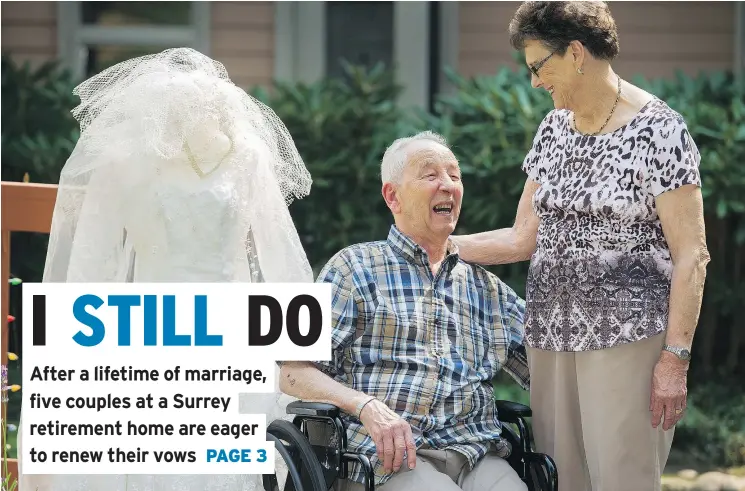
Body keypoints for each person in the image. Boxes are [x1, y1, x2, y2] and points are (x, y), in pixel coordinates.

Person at [18, 47, 312, 491]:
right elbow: (89, 262)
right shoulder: (121, 160)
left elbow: (278, 252)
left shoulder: (248, 157)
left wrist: (298, 346)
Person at [450, 3, 710, 491]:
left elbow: (692, 255)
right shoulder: (553, 130)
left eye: (537, 66)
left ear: (574, 53)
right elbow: (522, 237)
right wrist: (434, 247)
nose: (533, 82)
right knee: (559, 477)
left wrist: (675, 359)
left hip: (628, 337)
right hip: (550, 338)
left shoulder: (660, 130)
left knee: (621, 478)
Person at [279, 131, 530, 491]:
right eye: (431, 175)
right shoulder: (352, 267)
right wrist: (366, 406)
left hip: (476, 453)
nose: (447, 186)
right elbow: (292, 373)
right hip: (384, 461)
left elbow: (548, 365)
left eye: (455, 176)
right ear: (392, 196)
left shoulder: (487, 289)